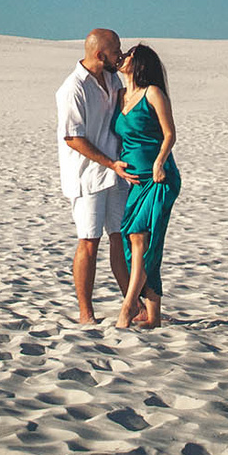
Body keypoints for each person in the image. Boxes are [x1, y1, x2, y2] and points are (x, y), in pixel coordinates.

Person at [55, 28, 137, 324]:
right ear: (100, 54)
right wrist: (109, 163)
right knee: (89, 241)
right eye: (116, 49)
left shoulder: (113, 78)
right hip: (87, 177)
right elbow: (72, 137)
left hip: (117, 176)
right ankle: (85, 312)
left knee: (121, 238)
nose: (121, 53)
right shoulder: (73, 88)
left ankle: (132, 305)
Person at [114, 43, 181, 328]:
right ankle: (152, 315)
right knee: (137, 245)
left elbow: (169, 134)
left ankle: (129, 305)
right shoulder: (119, 96)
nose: (124, 57)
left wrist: (159, 163)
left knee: (141, 238)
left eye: (129, 54)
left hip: (159, 178)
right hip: (134, 181)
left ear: (139, 62)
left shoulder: (152, 92)